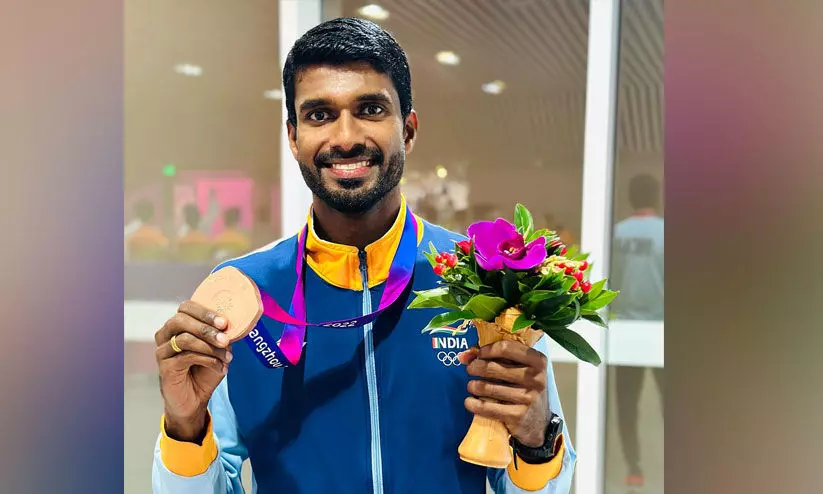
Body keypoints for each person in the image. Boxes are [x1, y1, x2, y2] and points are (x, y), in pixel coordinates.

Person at [151, 18, 575, 494]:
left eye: (370, 109)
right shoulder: (242, 293)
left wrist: (536, 442)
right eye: (319, 115)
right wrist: (184, 425)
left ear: (408, 130)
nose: (345, 137)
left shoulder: (485, 282)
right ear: (293, 137)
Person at [609, 173, 664, 489]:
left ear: (631, 198)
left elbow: (609, 283)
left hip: (625, 331)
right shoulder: (665, 233)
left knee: (627, 404)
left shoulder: (616, 234)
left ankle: (634, 469)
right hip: (661, 330)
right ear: (656, 197)